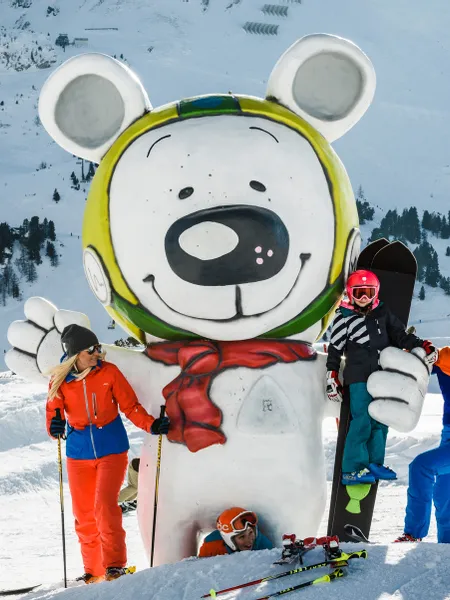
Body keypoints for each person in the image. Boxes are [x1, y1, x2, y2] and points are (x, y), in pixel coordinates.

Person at [46, 324, 170, 584]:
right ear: (76, 354)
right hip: (78, 454)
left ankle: (114, 566)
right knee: (84, 515)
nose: (97, 353)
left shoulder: (109, 372)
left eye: (98, 347)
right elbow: (53, 415)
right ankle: (93, 571)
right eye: (91, 349)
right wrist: (54, 427)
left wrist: (151, 424)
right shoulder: (61, 381)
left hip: (111, 448)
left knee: (105, 507)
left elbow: (130, 406)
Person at [326, 269, 437, 485]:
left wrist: (421, 344)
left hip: (383, 376)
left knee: (382, 418)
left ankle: (374, 462)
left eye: (368, 292)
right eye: (359, 293)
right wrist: (332, 374)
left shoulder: (382, 312)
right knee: (362, 421)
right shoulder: (343, 316)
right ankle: (353, 468)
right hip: (358, 377)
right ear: (350, 294)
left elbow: (400, 336)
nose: (364, 298)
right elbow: (335, 349)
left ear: (376, 293)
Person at [395, 346, 450, 543]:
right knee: (445, 500)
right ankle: (445, 552)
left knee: (422, 466)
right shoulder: (444, 358)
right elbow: (418, 365)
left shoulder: (445, 358)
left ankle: (413, 534)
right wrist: (414, 349)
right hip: (448, 435)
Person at [198, 507, 273, 557]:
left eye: (250, 532)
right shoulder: (211, 545)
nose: (249, 540)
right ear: (230, 540)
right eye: (242, 536)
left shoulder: (264, 547)